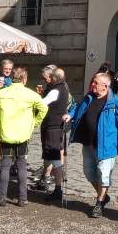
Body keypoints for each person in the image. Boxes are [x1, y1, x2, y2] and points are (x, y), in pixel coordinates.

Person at [0, 67, 48, 207]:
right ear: (24, 79)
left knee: (5, 164)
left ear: (12, 78)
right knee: (21, 164)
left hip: (5, 132)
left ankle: (1, 197)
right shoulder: (30, 94)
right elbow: (44, 108)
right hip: (23, 133)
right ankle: (22, 198)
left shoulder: (2, 92)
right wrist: (35, 122)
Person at [70, 72, 118, 218]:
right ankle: (103, 196)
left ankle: (99, 203)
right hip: (88, 143)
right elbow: (78, 110)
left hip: (107, 146)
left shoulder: (115, 102)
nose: (93, 85)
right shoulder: (89, 97)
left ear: (105, 86)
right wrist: (69, 115)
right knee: (89, 173)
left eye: (96, 83)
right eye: (93, 82)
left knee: (104, 175)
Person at [39, 67, 72, 203]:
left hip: (52, 126)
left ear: (54, 78)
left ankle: (58, 189)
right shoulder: (64, 89)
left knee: (54, 157)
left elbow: (41, 104)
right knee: (51, 155)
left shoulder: (55, 91)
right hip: (57, 126)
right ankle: (46, 179)